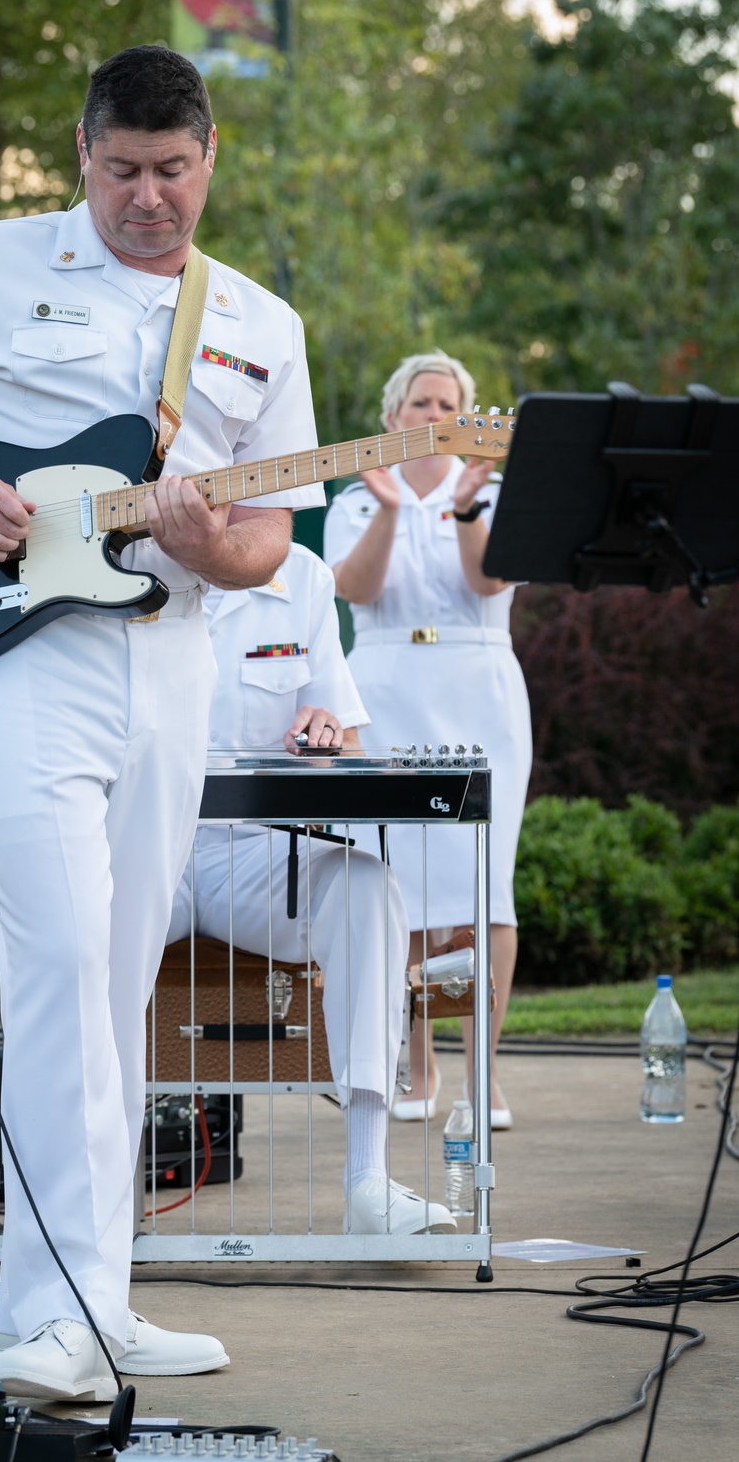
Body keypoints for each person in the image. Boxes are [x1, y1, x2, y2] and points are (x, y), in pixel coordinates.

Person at [0, 46, 325, 1401]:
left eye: (175, 170)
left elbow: (270, 541)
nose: (151, 197)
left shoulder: (259, 318)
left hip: (173, 655)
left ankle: (99, 1296)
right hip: (12, 658)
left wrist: (222, 543)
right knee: (60, 957)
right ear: (81, 150)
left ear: (211, 158)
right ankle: (38, 1317)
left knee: (119, 980)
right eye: (125, 169)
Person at [164, 543, 456, 1233]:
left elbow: (346, 741)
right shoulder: (133, 556)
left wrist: (326, 734)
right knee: (82, 909)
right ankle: (83, 1189)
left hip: (262, 850)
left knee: (368, 888)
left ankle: (367, 1183)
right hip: (152, 845)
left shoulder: (302, 575)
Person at [323, 351, 532, 1131]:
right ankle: (419, 1064)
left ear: (468, 417)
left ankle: (484, 1074)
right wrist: (387, 508)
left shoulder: (497, 491)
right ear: (392, 417)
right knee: (399, 882)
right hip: (383, 686)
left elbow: (487, 584)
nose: (432, 414)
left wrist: (469, 508)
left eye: (448, 402)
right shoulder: (353, 494)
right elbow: (356, 588)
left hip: (477, 687)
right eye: (419, 402)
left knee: (483, 885)